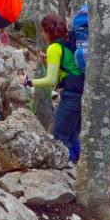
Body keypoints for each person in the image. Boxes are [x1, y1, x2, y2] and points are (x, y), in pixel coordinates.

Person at [22, 13, 84, 163]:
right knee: (73, 136)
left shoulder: (54, 48)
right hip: (82, 95)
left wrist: (29, 82)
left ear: (48, 31)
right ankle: (80, 167)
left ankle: (68, 174)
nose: (42, 35)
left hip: (71, 96)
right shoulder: (68, 41)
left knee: (60, 137)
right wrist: (47, 63)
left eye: (43, 31)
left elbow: (51, 80)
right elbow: (66, 68)